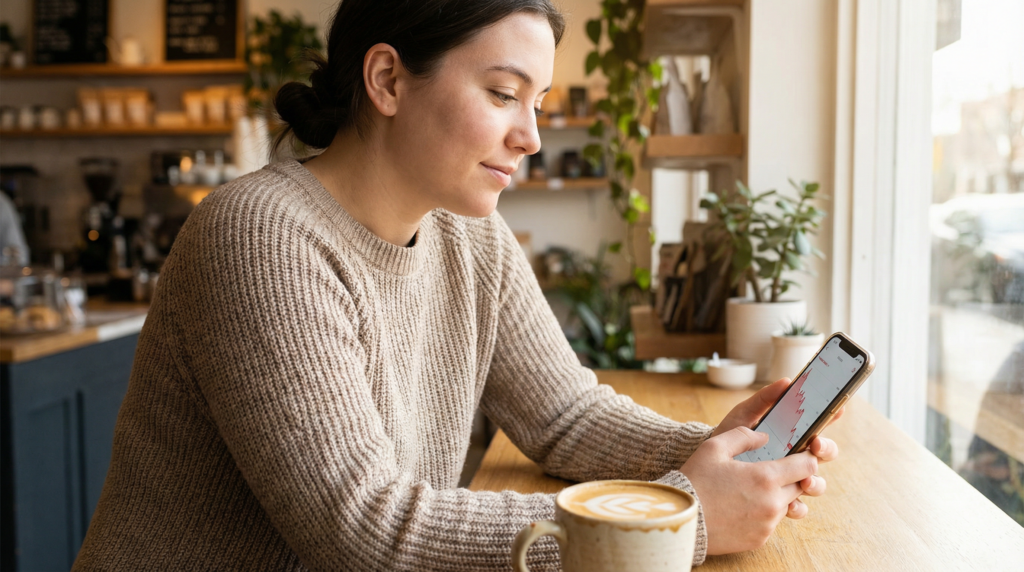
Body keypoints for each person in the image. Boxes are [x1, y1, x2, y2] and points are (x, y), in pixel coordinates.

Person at [73, 1, 839, 570]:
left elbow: (564, 416)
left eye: (535, 105)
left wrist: (721, 451)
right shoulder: (260, 236)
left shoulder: (468, 233)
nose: (531, 137)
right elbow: (366, 529)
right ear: (387, 80)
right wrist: (679, 520)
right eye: (504, 94)